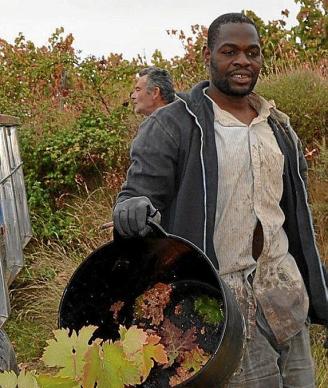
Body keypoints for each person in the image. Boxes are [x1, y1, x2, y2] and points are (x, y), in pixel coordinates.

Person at [113, 13, 328, 387]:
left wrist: (315, 284)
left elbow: (296, 214)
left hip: (284, 293)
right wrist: (130, 209)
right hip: (224, 302)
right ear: (207, 55)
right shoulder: (173, 125)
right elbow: (137, 195)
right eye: (229, 51)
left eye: (252, 52)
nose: (242, 61)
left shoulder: (277, 124)